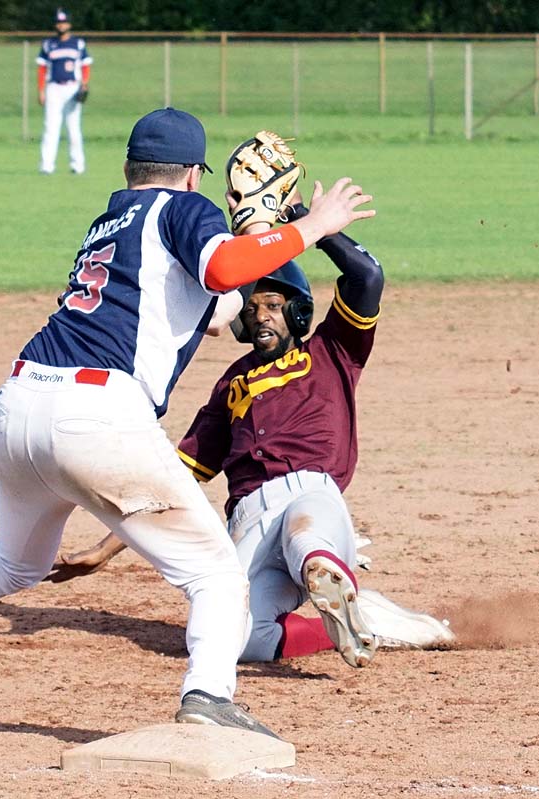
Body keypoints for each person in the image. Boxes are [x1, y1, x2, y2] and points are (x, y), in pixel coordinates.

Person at [0, 108, 376, 740]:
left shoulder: (111, 221)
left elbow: (219, 309)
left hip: (20, 401)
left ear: (130, 168)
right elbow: (221, 271)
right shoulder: (182, 210)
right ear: (191, 176)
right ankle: (208, 697)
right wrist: (312, 226)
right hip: (98, 416)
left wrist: (263, 234)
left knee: (13, 564)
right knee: (215, 576)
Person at [46, 189, 456, 668]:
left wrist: (306, 219)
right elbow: (178, 480)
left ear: (298, 311)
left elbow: (367, 276)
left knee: (309, 543)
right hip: (247, 523)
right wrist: (105, 549)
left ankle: (326, 573)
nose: (260, 315)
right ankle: (353, 619)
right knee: (233, 637)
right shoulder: (231, 385)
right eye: (252, 307)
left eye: (274, 305)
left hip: (309, 495)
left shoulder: (331, 352)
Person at [37, 8, 91, 175]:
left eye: (64, 22)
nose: (61, 25)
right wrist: (41, 90)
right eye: (59, 22)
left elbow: (85, 66)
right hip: (53, 88)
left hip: (72, 87)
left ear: (69, 24)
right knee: (50, 127)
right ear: (56, 24)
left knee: (73, 128)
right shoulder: (48, 44)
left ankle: (77, 165)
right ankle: (47, 166)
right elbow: (41, 69)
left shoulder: (78, 44)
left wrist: (84, 84)